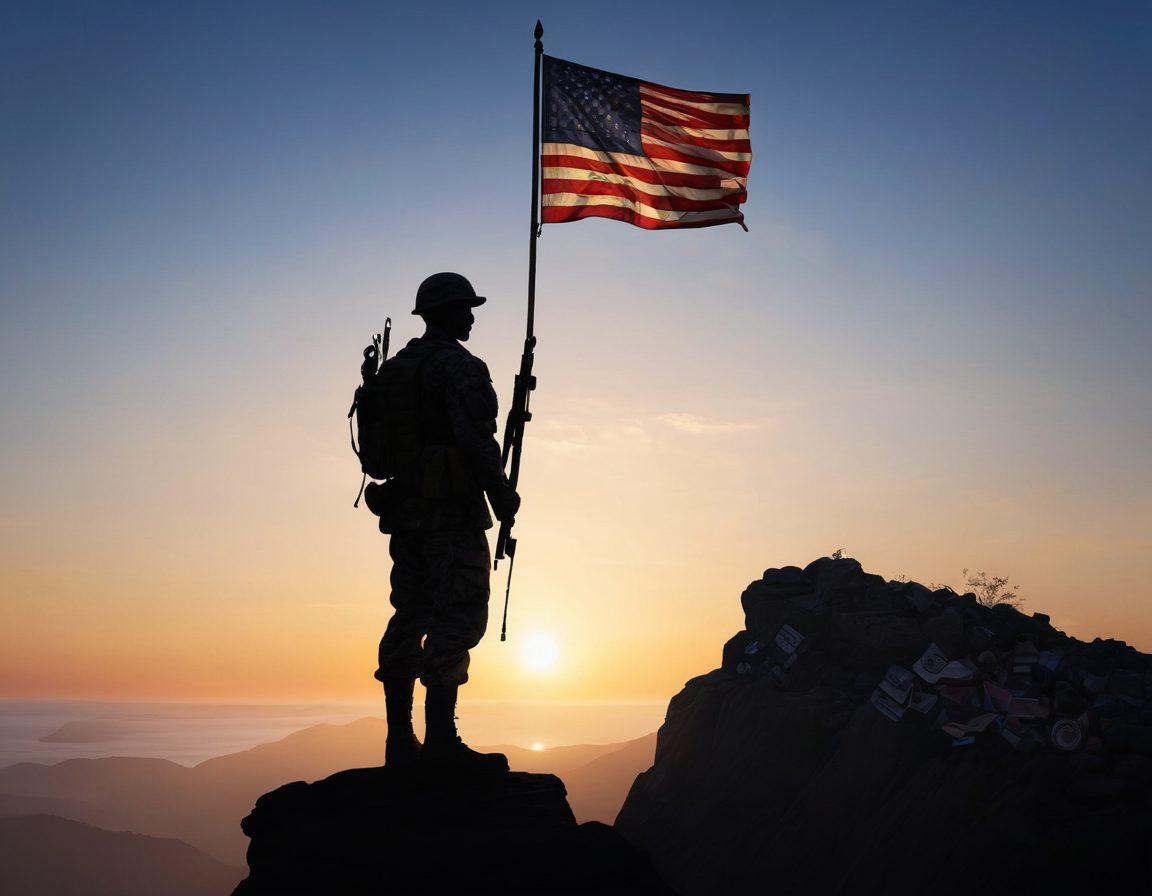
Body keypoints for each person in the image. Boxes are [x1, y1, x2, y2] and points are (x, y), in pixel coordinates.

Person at [366, 272, 520, 771]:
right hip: (450, 513)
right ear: (444, 312)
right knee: (457, 616)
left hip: (404, 515)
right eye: (464, 308)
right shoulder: (459, 366)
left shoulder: (394, 370)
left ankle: (398, 742)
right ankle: (440, 744)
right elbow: (476, 440)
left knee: (409, 614)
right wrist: (502, 496)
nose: (470, 317)